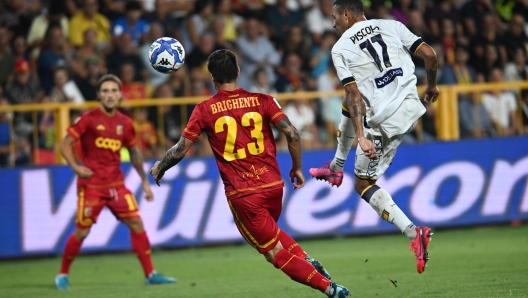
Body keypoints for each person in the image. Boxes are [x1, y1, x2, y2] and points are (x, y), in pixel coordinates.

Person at [149, 49, 350, 298]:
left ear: (212, 78)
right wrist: (297, 167)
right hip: (273, 185)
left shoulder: (204, 109)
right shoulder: (263, 100)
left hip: (243, 193)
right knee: (273, 235)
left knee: (273, 253)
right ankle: (306, 258)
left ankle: (330, 289)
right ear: (239, 72)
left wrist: (161, 166)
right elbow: (293, 134)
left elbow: (180, 150)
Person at [309, 0, 437, 274]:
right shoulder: (392, 25)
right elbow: (430, 55)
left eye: (334, 17)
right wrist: (432, 85)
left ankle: (415, 234)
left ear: (346, 14)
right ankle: (335, 167)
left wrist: (361, 136)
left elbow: (356, 94)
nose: (333, 23)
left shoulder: (341, 48)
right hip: (412, 105)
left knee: (364, 184)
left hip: (385, 123)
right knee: (347, 101)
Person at [55, 74, 175, 290]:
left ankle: (151, 273)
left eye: (113, 91)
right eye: (105, 91)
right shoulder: (89, 119)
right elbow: (65, 143)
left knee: (137, 223)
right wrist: (75, 167)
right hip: (91, 186)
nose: (110, 95)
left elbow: (135, 154)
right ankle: (63, 274)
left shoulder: (125, 123)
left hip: (116, 185)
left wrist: (145, 184)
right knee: (82, 232)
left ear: (120, 94)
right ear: (99, 95)